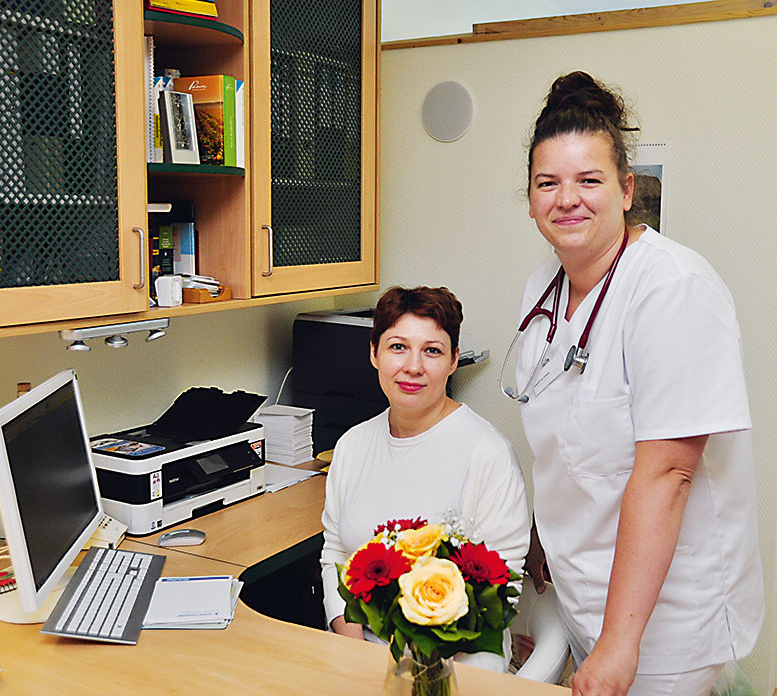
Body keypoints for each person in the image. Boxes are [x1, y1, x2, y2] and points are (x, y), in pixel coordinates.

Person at [510, 71, 764, 696]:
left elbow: (668, 473)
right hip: (580, 586)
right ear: (532, 196)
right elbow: (563, 437)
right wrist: (544, 531)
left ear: (627, 190)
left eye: (589, 180)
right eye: (549, 183)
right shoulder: (542, 288)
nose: (567, 198)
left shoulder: (673, 287)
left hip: (669, 618)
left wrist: (622, 645)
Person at [320, 285, 530, 672]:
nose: (413, 366)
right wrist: (354, 648)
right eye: (397, 347)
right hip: (361, 651)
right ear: (374, 354)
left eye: (432, 350)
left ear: (453, 362)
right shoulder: (351, 446)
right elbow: (336, 554)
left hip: (459, 658)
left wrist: (420, 667)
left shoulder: (488, 453)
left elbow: (505, 583)